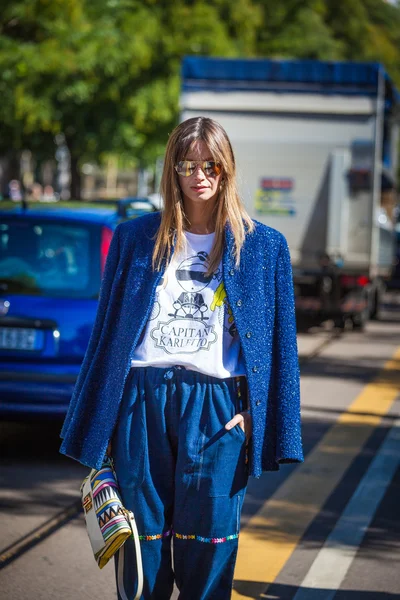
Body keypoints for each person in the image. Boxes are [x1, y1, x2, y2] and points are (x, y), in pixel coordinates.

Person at [60, 117, 303, 599]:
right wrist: (100, 421)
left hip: (217, 409)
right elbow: (107, 335)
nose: (199, 176)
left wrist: (258, 419)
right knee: (141, 550)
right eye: (187, 165)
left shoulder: (262, 247)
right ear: (172, 170)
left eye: (210, 165)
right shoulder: (135, 239)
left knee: (209, 551)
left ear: (226, 169)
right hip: (140, 403)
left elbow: (280, 348)